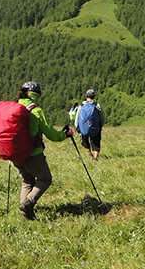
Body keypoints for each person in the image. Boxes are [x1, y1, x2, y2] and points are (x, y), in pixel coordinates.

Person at [15, 81, 73, 220]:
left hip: (15, 153)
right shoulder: (36, 111)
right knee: (45, 179)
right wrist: (65, 134)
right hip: (32, 153)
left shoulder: (15, 106)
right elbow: (52, 136)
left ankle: (26, 215)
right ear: (37, 94)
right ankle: (27, 204)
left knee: (27, 181)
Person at [74, 89, 105, 161]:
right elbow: (102, 117)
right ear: (94, 96)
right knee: (96, 142)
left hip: (84, 127)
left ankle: (89, 155)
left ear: (86, 96)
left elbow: (77, 117)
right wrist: (100, 126)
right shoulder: (97, 105)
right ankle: (95, 157)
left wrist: (77, 127)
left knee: (85, 141)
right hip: (95, 127)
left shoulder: (81, 106)